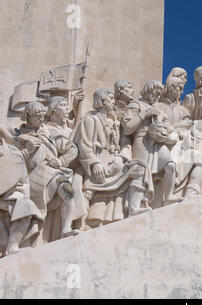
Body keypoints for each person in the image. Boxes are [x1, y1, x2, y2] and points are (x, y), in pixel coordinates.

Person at [72, 89, 148, 228]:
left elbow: (126, 145)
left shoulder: (117, 124)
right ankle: (79, 224)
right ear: (101, 102)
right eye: (110, 98)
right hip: (97, 164)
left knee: (140, 169)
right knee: (87, 189)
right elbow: (83, 145)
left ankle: (133, 208)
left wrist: (121, 158)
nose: (114, 101)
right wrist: (95, 164)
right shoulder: (90, 120)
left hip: (114, 163)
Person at [15, 102, 84, 239]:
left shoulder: (46, 131)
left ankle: (66, 229)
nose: (41, 119)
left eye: (42, 116)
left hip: (52, 172)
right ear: (28, 116)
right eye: (37, 116)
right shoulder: (19, 135)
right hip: (33, 176)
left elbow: (70, 148)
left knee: (68, 191)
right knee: (29, 211)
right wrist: (27, 150)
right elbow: (14, 159)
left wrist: (61, 160)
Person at [121, 81, 181, 209]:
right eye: (155, 93)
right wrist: (144, 115)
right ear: (148, 91)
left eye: (159, 94)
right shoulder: (135, 105)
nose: (157, 96)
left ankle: (168, 196)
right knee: (141, 171)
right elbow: (127, 128)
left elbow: (170, 129)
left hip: (158, 143)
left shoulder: (159, 110)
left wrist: (165, 134)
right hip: (141, 140)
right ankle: (134, 207)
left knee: (170, 165)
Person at [157, 77, 202, 198]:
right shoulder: (158, 106)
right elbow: (158, 127)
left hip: (180, 145)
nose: (181, 91)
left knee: (201, 159)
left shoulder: (183, 110)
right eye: (179, 88)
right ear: (171, 88)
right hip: (163, 145)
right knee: (171, 165)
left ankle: (191, 192)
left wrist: (199, 126)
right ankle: (168, 195)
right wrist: (177, 127)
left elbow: (189, 127)